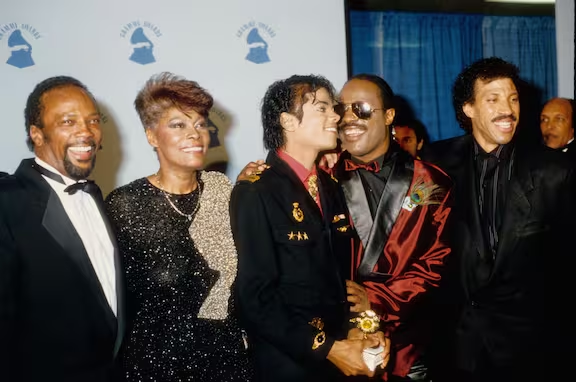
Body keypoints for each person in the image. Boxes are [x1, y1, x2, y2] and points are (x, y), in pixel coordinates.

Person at [422, 57, 575, 382]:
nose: (508, 109)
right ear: (469, 108)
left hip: (530, 352)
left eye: (513, 98)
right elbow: (415, 241)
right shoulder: (433, 165)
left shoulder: (555, 171)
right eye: (493, 99)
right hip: (454, 346)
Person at [230, 74, 390, 382]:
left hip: (339, 355)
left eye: (333, 108)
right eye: (323, 108)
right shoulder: (256, 191)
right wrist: (327, 349)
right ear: (288, 121)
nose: (336, 116)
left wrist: (362, 329)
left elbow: (342, 280)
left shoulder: (330, 187)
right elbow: (254, 298)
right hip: (289, 362)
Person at [104, 72, 252, 381]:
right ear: (151, 136)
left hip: (228, 364)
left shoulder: (223, 192)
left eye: (200, 123)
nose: (195, 134)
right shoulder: (125, 205)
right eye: (178, 125)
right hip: (155, 367)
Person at [0, 76, 124, 382]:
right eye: (68, 121)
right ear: (37, 134)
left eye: (93, 120)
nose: (86, 131)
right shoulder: (7, 203)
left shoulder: (98, 197)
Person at [331, 74, 452, 382]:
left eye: (360, 108)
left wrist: (377, 298)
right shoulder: (320, 178)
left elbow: (439, 263)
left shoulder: (432, 182)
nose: (348, 118)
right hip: (342, 347)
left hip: (408, 347)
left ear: (388, 115)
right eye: (341, 108)